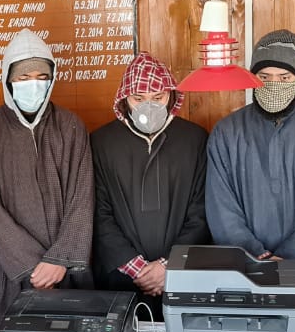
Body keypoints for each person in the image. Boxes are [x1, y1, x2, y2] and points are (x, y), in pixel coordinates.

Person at [205, 29, 295, 329]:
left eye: (284, 78)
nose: (274, 85)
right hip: (248, 270)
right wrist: (256, 259)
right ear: (253, 78)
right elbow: (221, 207)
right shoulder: (227, 133)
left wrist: (293, 265)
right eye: (265, 77)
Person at [0, 28, 94, 332]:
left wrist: (60, 260)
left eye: (41, 75)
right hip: (9, 271)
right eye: (23, 77)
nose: (32, 84)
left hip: (65, 272)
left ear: (52, 78)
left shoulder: (70, 127)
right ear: (8, 80)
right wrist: (32, 265)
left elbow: (83, 196)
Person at [90, 52, 210, 313]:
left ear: (172, 97)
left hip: (182, 277)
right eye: (138, 99)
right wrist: (137, 268)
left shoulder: (194, 140)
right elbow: (98, 213)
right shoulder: (101, 143)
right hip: (119, 277)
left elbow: (201, 212)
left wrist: (167, 266)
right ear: (124, 100)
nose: (149, 106)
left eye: (158, 98)